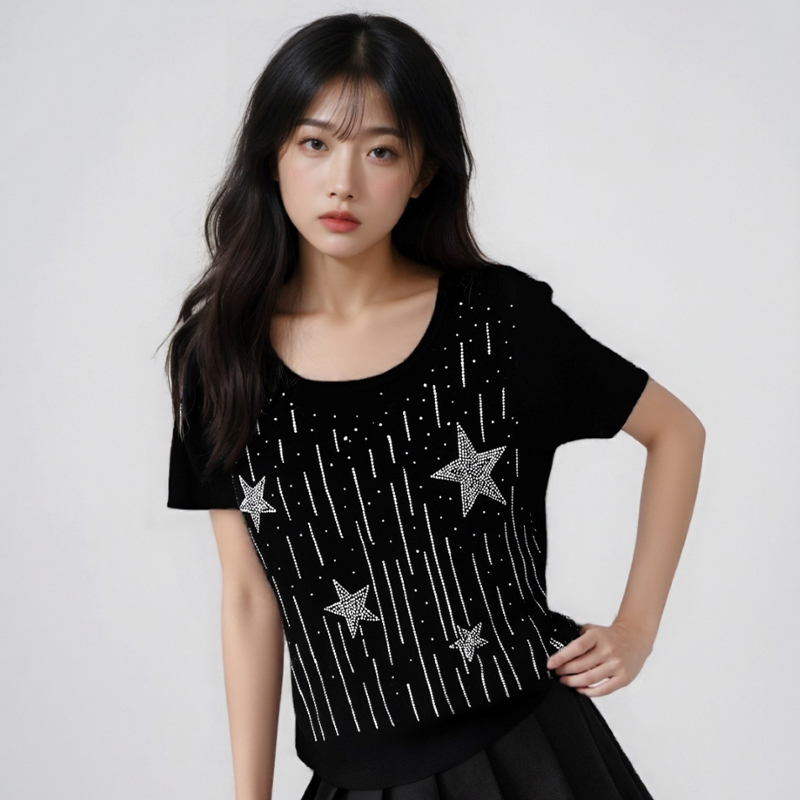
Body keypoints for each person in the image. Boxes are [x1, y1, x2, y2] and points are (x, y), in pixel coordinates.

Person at [164, 12, 705, 800]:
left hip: (530, 754)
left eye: (380, 150)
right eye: (315, 143)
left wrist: (637, 629)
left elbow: (675, 430)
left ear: (422, 173)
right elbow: (249, 598)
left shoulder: (497, 322)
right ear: (272, 155)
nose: (343, 181)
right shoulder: (218, 358)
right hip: (356, 779)